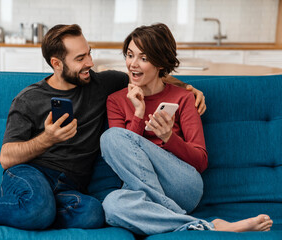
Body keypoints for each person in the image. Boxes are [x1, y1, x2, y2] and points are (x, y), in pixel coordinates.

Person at [0, 24, 205, 230]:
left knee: (94, 213)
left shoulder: (101, 84)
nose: (90, 63)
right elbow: (6, 158)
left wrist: (190, 90)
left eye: (89, 54)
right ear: (57, 63)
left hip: (70, 186)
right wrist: (47, 138)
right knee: (37, 206)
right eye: (80, 58)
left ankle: (36, 210)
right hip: (30, 172)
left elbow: (151, 77)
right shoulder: (29, 98)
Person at [100, 23, 273, 235]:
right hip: (138, 189)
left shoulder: (183, 98)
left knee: (112, 137)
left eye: (143, 58)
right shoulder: (116, 100)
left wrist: (168, 137)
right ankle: (204, 225)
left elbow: (200, 161)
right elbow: (120, 155)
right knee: (112, 205)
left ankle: (161, 214)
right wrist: (138, 114)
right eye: (129, 55)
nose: (133, 64)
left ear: (160, 63)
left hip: (182, 185)